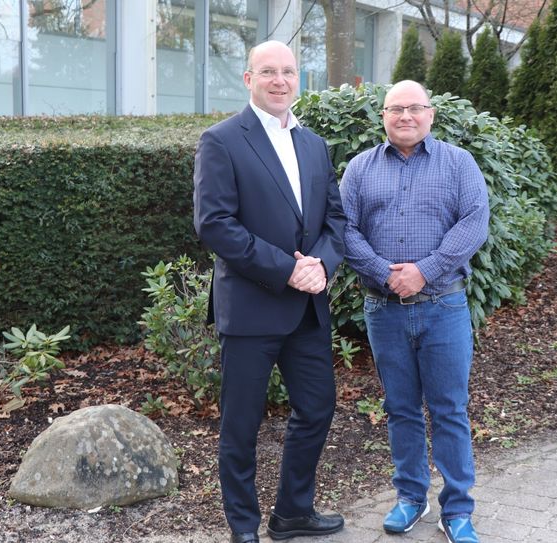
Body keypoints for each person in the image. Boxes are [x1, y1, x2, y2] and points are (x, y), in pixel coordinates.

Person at [193, 40, 346, 543]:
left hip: (305, 310)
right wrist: (287, 269)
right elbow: (215, 224)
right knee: (241, 425)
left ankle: (292, 513)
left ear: (298, 78)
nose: (279, 81)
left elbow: (336, 220)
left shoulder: (316, 145)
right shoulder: (221, 140)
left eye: (288, 72)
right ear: (248, 79)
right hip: (253, 308)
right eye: (268, 72)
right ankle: (244, 527)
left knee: (318, 406)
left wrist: (321, 264)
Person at [340, 80, 490, 543]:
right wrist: (385, 272)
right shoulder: (360, 169)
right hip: (383, 310)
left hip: (443, 306)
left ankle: (458, 510)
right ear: (383, 115)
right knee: (401, 408)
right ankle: (411, 497)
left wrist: (423, 271)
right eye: (395, 109)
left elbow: (474, 222)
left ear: (431, 114)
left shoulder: (459, 163)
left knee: (448, 409)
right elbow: (343, 228)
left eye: (414, 108)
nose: (405, 116)